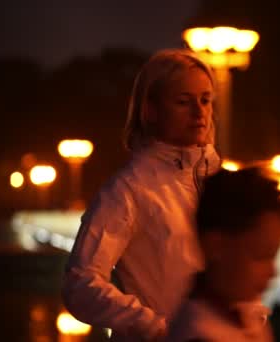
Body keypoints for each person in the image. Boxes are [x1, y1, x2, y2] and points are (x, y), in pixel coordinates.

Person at [62, 49, 221, 341]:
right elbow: (80, 282)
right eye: (184, 102)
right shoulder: (128, 190)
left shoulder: (220, 184)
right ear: (150, 110)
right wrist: (151, 326)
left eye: (206, 100)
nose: (199, 112)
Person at [167, 168, 280, 342]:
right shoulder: (200, 333)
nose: (273, 272)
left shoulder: (243, 315)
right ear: (215, 246)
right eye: (262, 255)